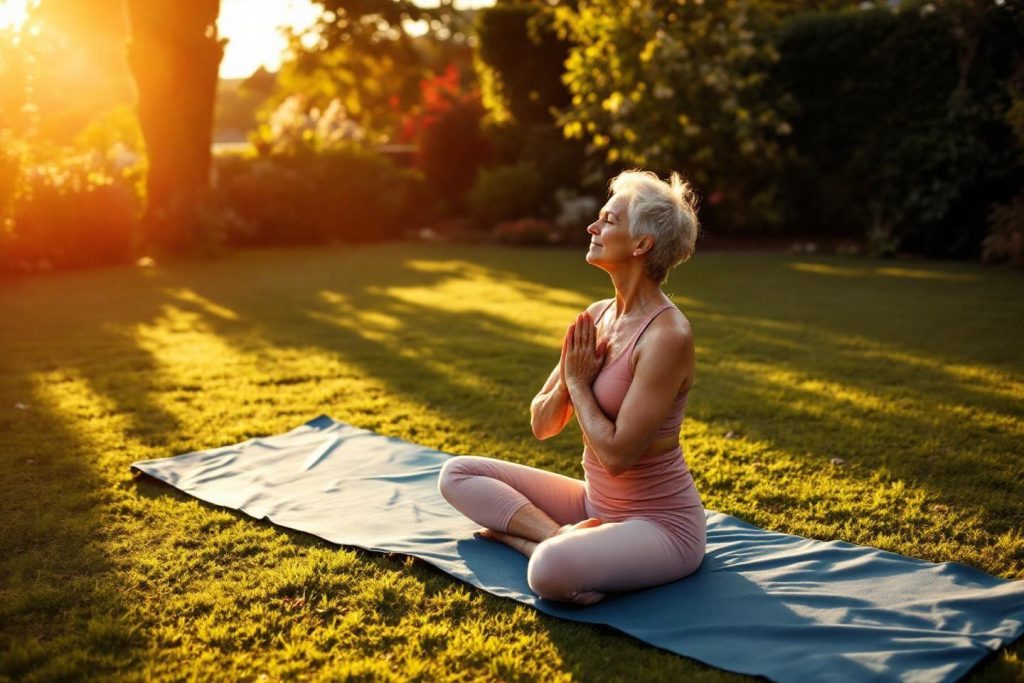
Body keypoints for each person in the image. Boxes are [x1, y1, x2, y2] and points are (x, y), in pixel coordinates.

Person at [438, 169, 704, 605]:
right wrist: (568, 383)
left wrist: (578, 382)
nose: (592, 227)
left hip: (661, 525)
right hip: (592, 506)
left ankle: (529, 544)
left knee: (548, 572)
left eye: (608, 220)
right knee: (457, 473)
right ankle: (554, 535)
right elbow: (542, 424)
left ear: (641, 245)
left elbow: (617, 456)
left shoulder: (668, 335)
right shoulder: (597, 316)